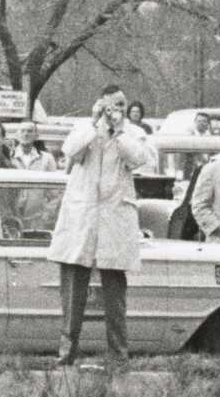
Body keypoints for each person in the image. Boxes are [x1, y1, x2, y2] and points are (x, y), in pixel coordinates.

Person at [48, 85, 158, 365]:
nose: (117, 110)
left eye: (121, 104)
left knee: (114, 293)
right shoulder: (83, 127)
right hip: (82, 217)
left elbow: (139, 159)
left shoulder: (133, 133)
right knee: (73, 287)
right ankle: (67, 353)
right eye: (112, 104)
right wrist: (95, 122)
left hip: (114, 217)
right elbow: (71, 150)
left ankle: (118, 355)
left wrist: (117, 131)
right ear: (100, 103)